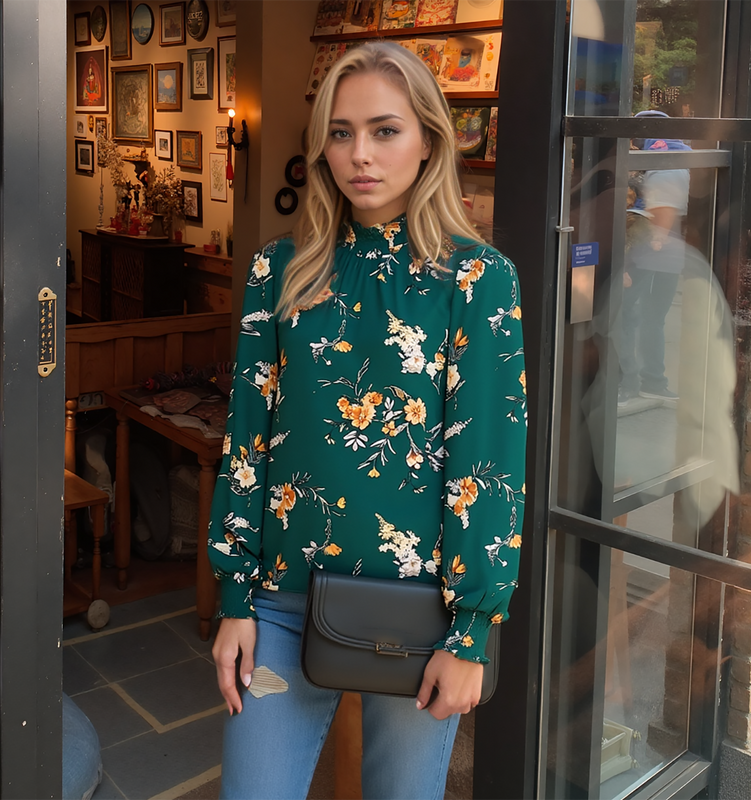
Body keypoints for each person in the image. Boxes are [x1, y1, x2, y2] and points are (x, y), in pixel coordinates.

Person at [207, 41, 527, 800]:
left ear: (428, 140)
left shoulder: (477, 280)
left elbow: (489, 459)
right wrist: (232, 600)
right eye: (342, 132)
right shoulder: (277, 271)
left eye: (384, 130)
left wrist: (472, 631)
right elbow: (247, 439)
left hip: (418, 618)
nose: (360, 154)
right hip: (279, 604)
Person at [619, 109, 691, 404]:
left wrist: (655, 240)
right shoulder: (682, 155)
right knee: (654, 319)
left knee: (624, 314)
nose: (634, 144)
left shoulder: (661, 158)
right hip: (673, 255)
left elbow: (664, 208)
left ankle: (628, 381)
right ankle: (654, 380)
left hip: (651, 253)